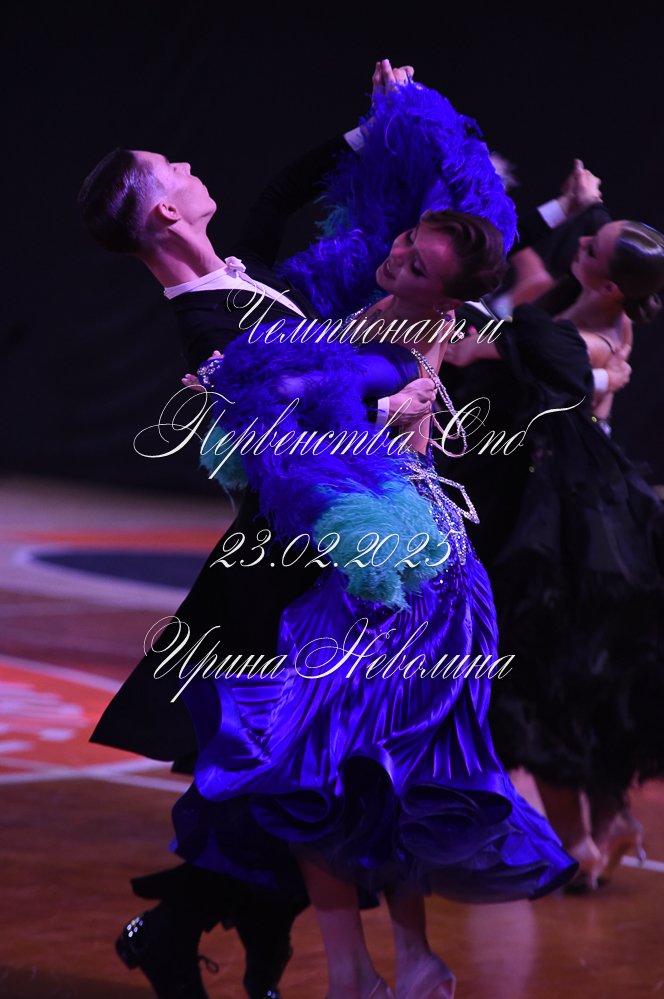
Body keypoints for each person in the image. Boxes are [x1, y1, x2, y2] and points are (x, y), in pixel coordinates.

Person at [78, 61, 518, 998]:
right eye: (169, 166)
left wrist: (381, 125)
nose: (187, 162)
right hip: (296, 570)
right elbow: (288, 441)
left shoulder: (242, 285)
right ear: (164, 212)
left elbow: (284, 209)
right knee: (304, 767)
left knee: (334, 766)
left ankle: (269, 949)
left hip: (328, 558)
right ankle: (332, 960)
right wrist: (392, 405)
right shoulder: (211, 328)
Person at [170, 207, 577, 999]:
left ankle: (368, 970)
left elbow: (337, 428)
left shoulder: (408, 342)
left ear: (447, 301)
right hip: (374, 565)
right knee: (361, 770)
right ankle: (400, 962)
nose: (398, 257)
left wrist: (257, 395)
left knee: (313, 763)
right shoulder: (369, 302)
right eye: (407, 242)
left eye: (419, 265)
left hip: (406, 577)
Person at [442, 217, 664, 892]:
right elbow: (530, 293)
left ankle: (577, 845)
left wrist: (476, 346)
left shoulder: (586, 336)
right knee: (573, 676)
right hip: (567, 501)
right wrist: (571, 211)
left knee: (537, 678)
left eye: (591, 246)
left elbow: (486, 345)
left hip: (557, 513)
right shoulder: (588, 315)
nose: (582, 244)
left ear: (607, 281)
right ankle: (609, 818)